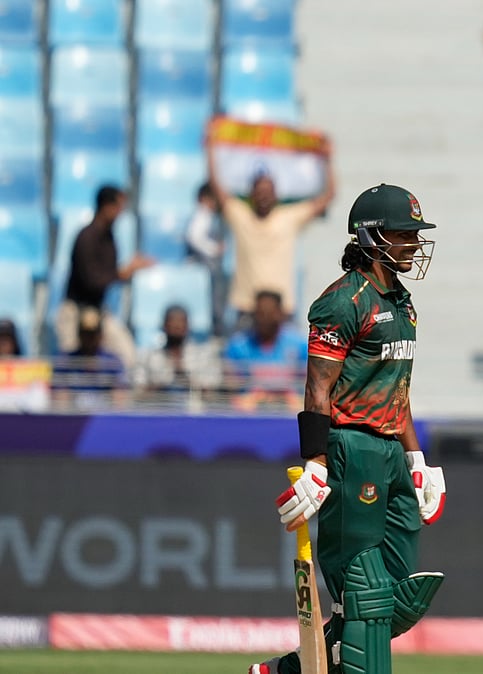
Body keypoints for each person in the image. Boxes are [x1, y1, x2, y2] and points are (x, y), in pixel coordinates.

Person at [252, 184, 446, 674]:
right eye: (404, 234)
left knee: (398, 593)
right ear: (372, 236)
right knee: (365, 592)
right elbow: (318, 389)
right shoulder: (342, 302)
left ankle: (290, 670)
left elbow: (397, 392)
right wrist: (316, 463)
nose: (413, 244)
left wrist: (416, 460)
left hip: (389, 453)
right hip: (350, 448)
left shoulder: (403, 304)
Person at [205, 136, 336, 325]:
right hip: (247, 309)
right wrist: (211, 147)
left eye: (268, 192)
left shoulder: (289, 217)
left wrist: (327, 159)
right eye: (259, 192)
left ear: (276, 195)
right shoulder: (241, 215)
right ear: (251, 195)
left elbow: (329, 195)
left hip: (282, 310)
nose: (263, 197)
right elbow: (216, 187)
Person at [55, 185, 153, 369]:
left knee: (127, 355)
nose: (121, 213)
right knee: (71, 364)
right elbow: (91, 280)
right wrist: (124, 272)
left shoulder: (110, 238)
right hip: (75, 311)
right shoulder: (86, 236)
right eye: (118, 207)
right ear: (106, 206)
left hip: (99, 311)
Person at [225, 290, 308, 411]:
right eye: (261, 313)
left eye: (270, 312)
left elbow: (307, 383)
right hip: (249, 410)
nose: (265, 318)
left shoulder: (299, 345)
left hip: (290, 409)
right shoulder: (238, 345)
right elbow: (230, 386)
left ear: (281, 313)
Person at [132, 305, 221, 392]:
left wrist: (183, 376)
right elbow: (139, 388)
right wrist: (163, 387)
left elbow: (211, 387)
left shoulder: (203, 357)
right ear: (164, 325)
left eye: (181, 321)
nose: (177, 326)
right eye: (172, 321)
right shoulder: (149, 357)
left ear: (188, 326)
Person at [53, 307, 127, 409]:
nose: (89, 339)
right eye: (86, 334)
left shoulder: (112, 362)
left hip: (103, 416)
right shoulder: (66, 361)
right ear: (79, 334)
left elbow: (119, 399)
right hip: (74, 417)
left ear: (101, 335)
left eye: (93, 334)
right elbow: (60, 398)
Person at [185, 181, 228, 334]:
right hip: (202, 265)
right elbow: (194, 237)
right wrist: (214, 249)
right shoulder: (202, 214)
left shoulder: (206, 215)